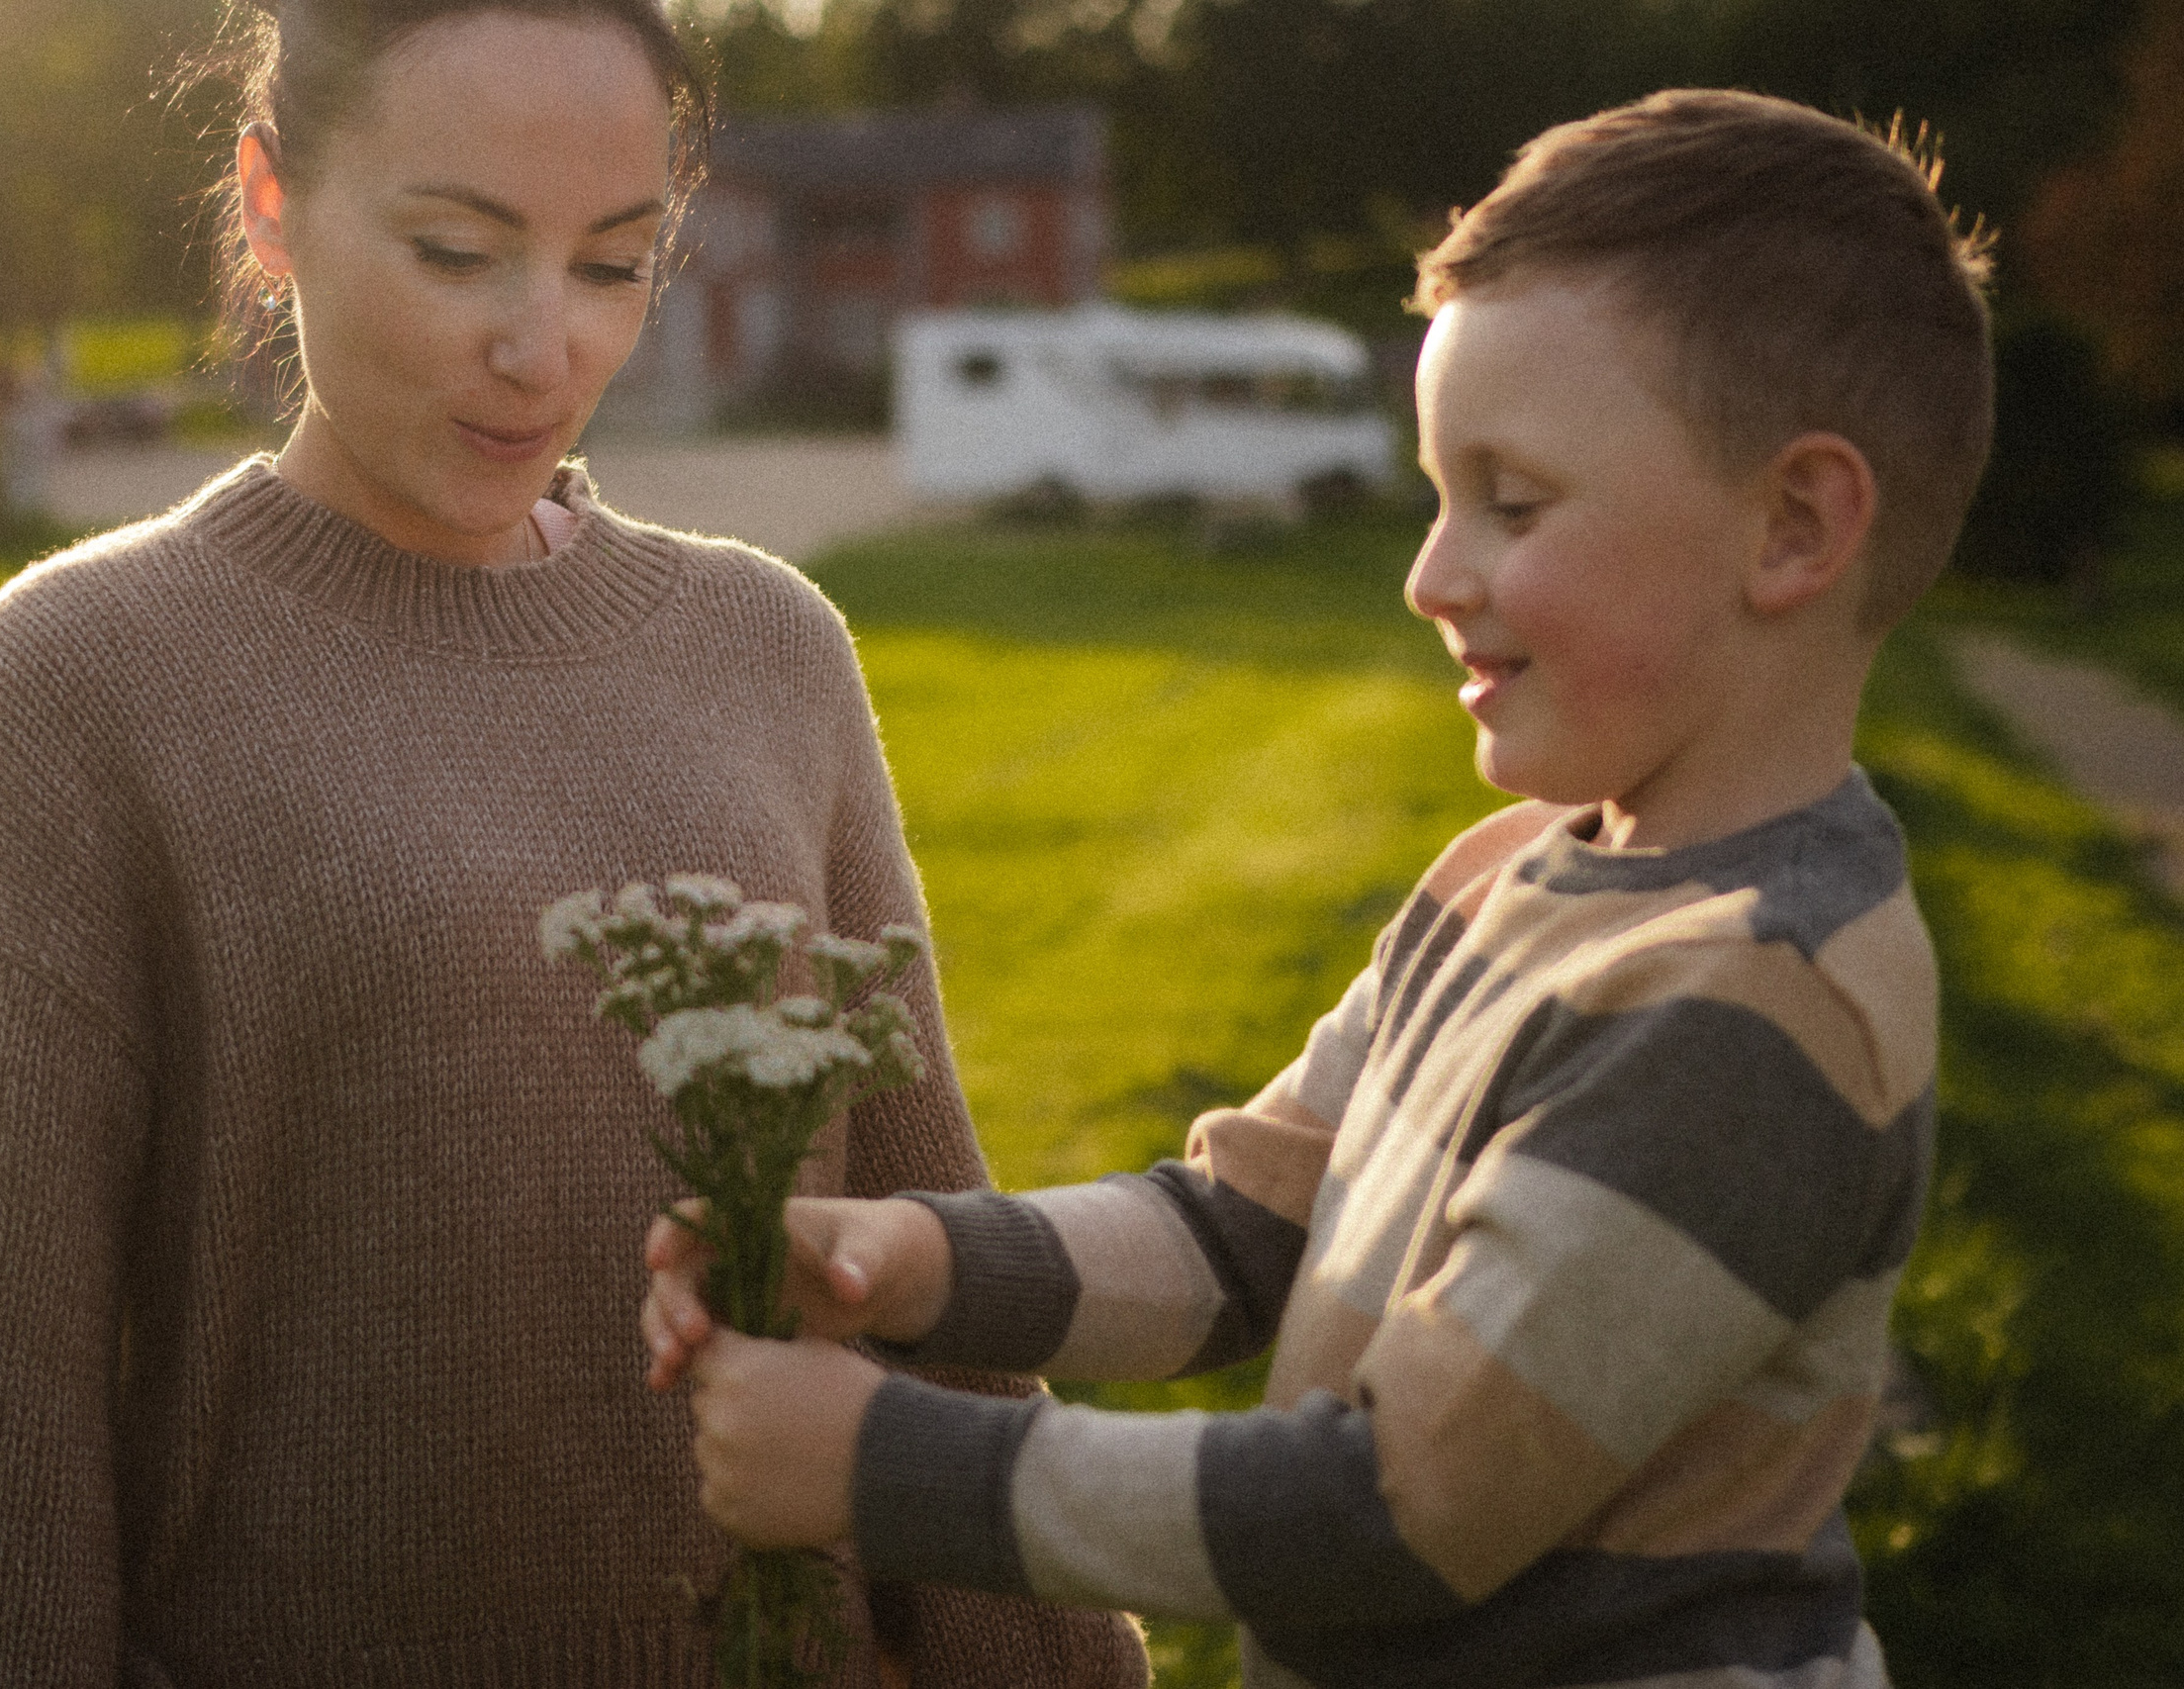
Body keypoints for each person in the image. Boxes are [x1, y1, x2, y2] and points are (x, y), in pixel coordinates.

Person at [0, 0, 1147, 1682]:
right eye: (458, 252)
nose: (547, 350)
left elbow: (927, 1255)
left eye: (612, 263)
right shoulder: (71, 692)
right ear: (270, 207)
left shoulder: (769, 647)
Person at [645, 88, 1994, 1689]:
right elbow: (1232, 1237)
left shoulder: (1754, 1004)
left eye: (1514, 500)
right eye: (1439, 494)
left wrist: (884, 1467)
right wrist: (913, 1265)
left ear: (1795, 528)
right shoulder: (1511, 876)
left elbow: (1392, 1516)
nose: (1430, 574)